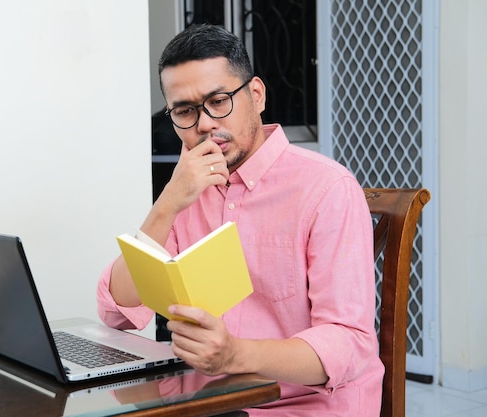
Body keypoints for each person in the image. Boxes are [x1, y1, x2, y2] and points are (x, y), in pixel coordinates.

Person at [97, 24, 384, 416]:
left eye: (218, 101)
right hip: (203, 401)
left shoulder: (327, 188)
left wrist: (235, 355)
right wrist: (167, 203)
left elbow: (349, 344)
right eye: (184, 111)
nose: (204, 124)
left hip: (300, 405)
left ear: (256, 95)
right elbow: (118, 312)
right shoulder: (188, 190)